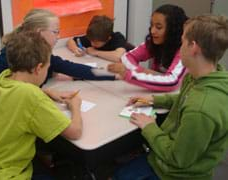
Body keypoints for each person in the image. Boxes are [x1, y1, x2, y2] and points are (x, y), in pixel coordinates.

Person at [0, 9, 115, 154]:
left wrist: (111, 73)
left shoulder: (29, 51)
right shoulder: (19, 57)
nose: (58, 36)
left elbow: (68, 67)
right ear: (39, 33)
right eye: (55, 32)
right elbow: (74, 131)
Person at [113, 14, 228, 180]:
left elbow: (178, 158)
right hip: (163, 157)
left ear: (193, 47)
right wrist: (154, 100)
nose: (179, 48)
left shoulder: (201, 109)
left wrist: (150, 127)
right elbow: (184, 98)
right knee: (120, 172)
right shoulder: (200, 77)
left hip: (174, 173)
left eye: (182, 42)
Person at [0, 31, 82, 180]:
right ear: (38, 68)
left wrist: (47, 92)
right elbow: (75, 132)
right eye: (47, 68)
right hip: (8, 175)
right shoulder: (32, 96)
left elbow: (21, 95)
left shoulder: (5, 77)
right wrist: (75, 106)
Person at [108, 4, 188, 92]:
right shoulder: (152, 42)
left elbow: (171, 82)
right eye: (152, 25)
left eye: (159, 27)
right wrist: (140, 71)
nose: (152, 31)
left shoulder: (184, 50)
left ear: (173, 30)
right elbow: (127, 57)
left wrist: (130, 74)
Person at [67, 15, 134, 62]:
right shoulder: (93, 37)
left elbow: (119, 57)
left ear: (108, 38)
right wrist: (76, 49)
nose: (92, 44)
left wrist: (96, 52)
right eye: (91, 41)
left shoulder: (117, 38)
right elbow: (70, 41)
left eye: (96, 43)